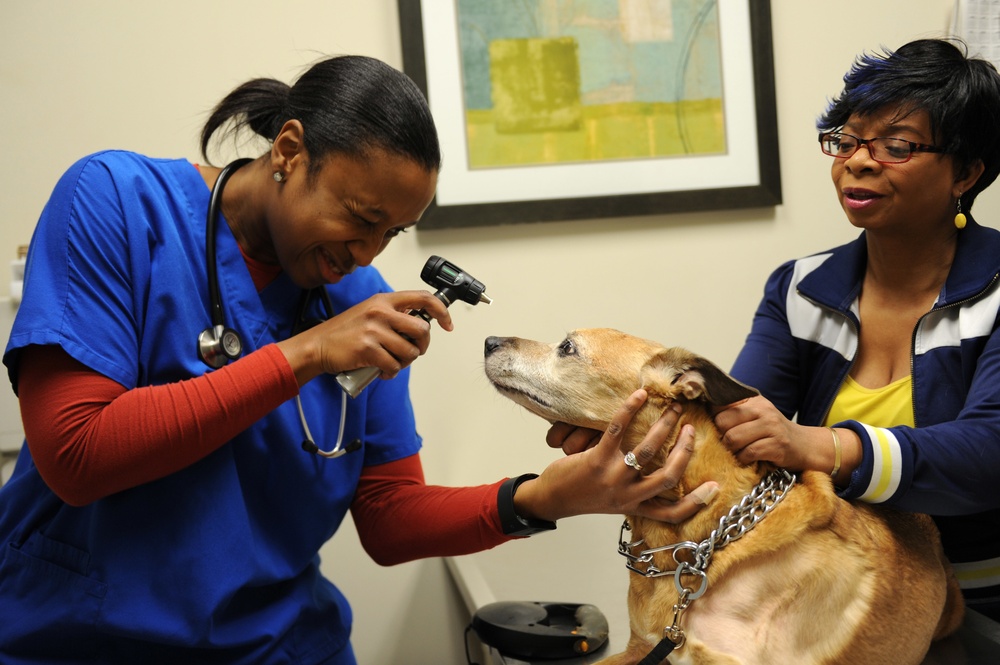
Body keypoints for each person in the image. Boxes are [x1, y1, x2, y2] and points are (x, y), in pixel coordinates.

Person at [0, 55, 713, 664]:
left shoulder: (355, 296)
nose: (368, 254)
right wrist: (304, 354)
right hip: (83, 639)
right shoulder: (117, 206)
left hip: (277, 645)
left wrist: (553, 494)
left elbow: (387, 516)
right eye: (361, 218)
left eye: (392, 231)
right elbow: (76, 451)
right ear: (288, 152)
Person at [711, 38, 1000, 622]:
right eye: (846, 140)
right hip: (842, 592)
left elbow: (988, 454)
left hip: (981, 601)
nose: (858, 162)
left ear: (966, 172)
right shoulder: (799, 288)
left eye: (896, 146)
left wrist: (821, 445)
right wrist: (628, 421)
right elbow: (739, 422)